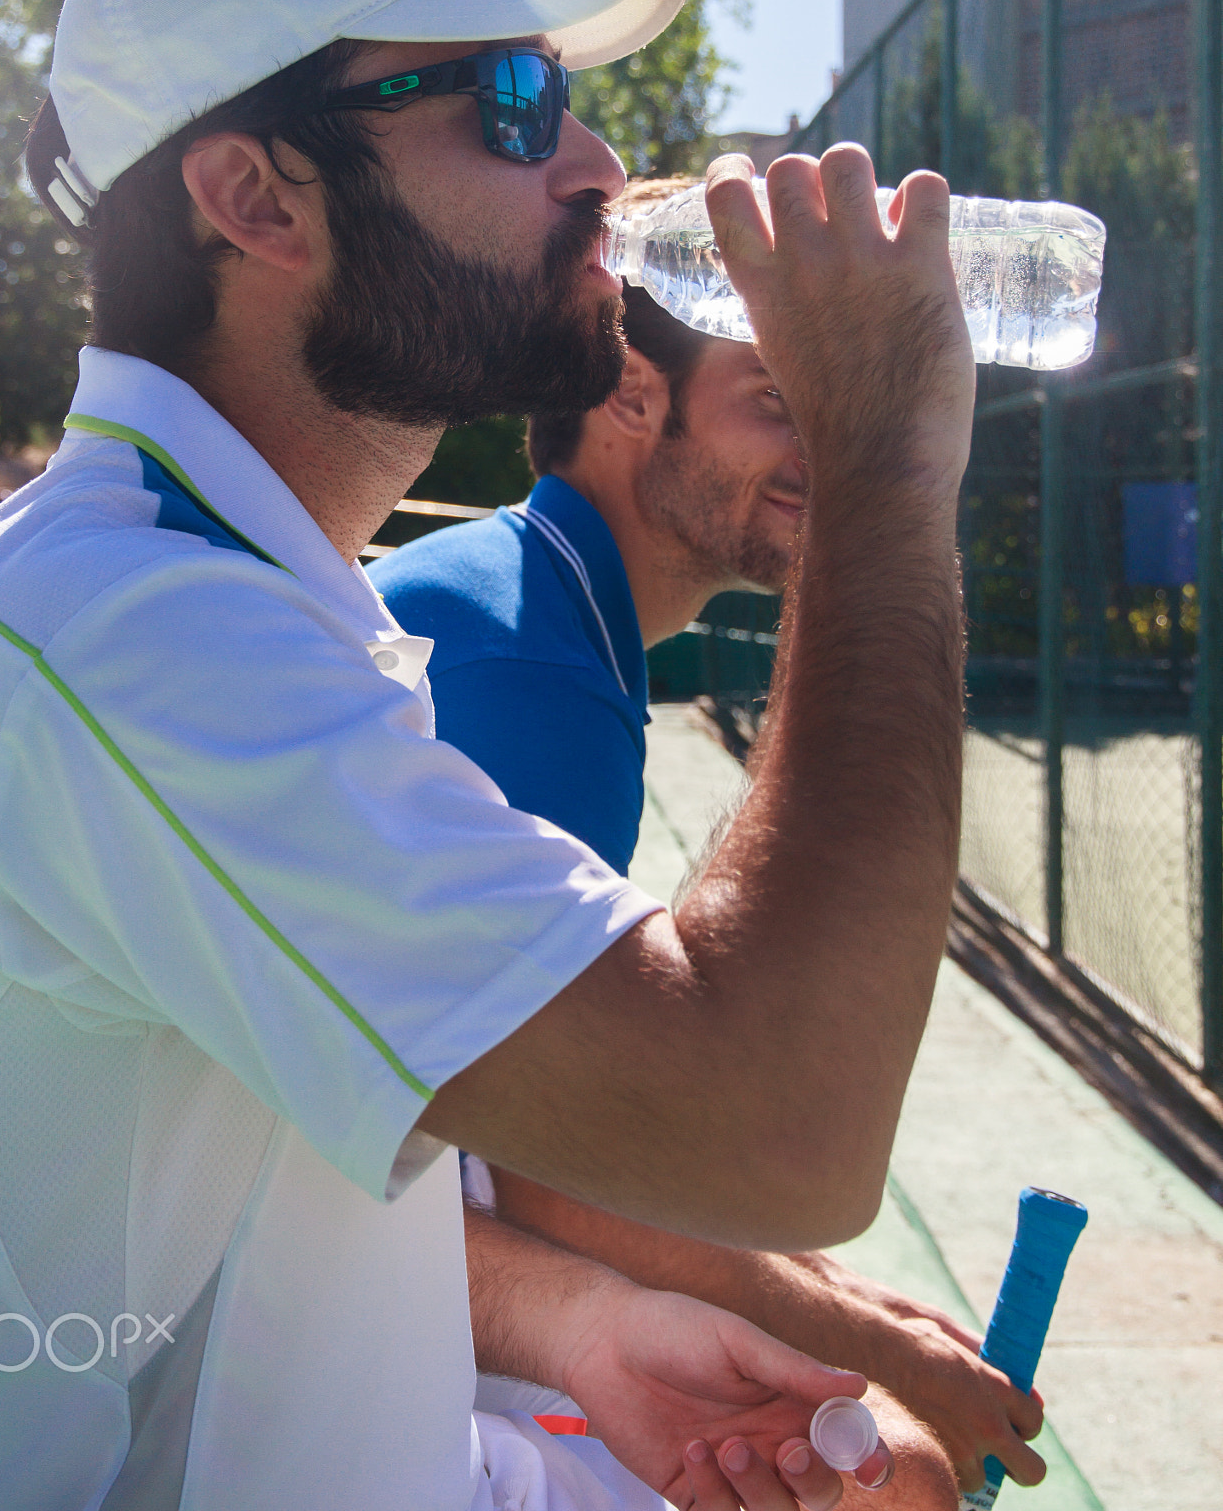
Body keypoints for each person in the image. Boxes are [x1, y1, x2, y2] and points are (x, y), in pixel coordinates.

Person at [0, 0, 975, 1509]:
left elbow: (190, 1232)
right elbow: (780, 1121)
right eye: (514, 99)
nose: (595, 162)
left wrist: (587, 1326)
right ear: (253, 197)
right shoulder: (136, 638)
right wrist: (883, 461)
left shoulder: (232, 597)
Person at [374, 178, 1049, 1507]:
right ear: (633, 393)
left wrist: (855, 1311)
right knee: (890, 1480)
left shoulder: (546, 613)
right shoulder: (519, 655)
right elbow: (555, 1180)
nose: (821, 435)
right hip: (289, 1299)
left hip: (372, 1235)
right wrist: (873, 1349)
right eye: (776, 396)